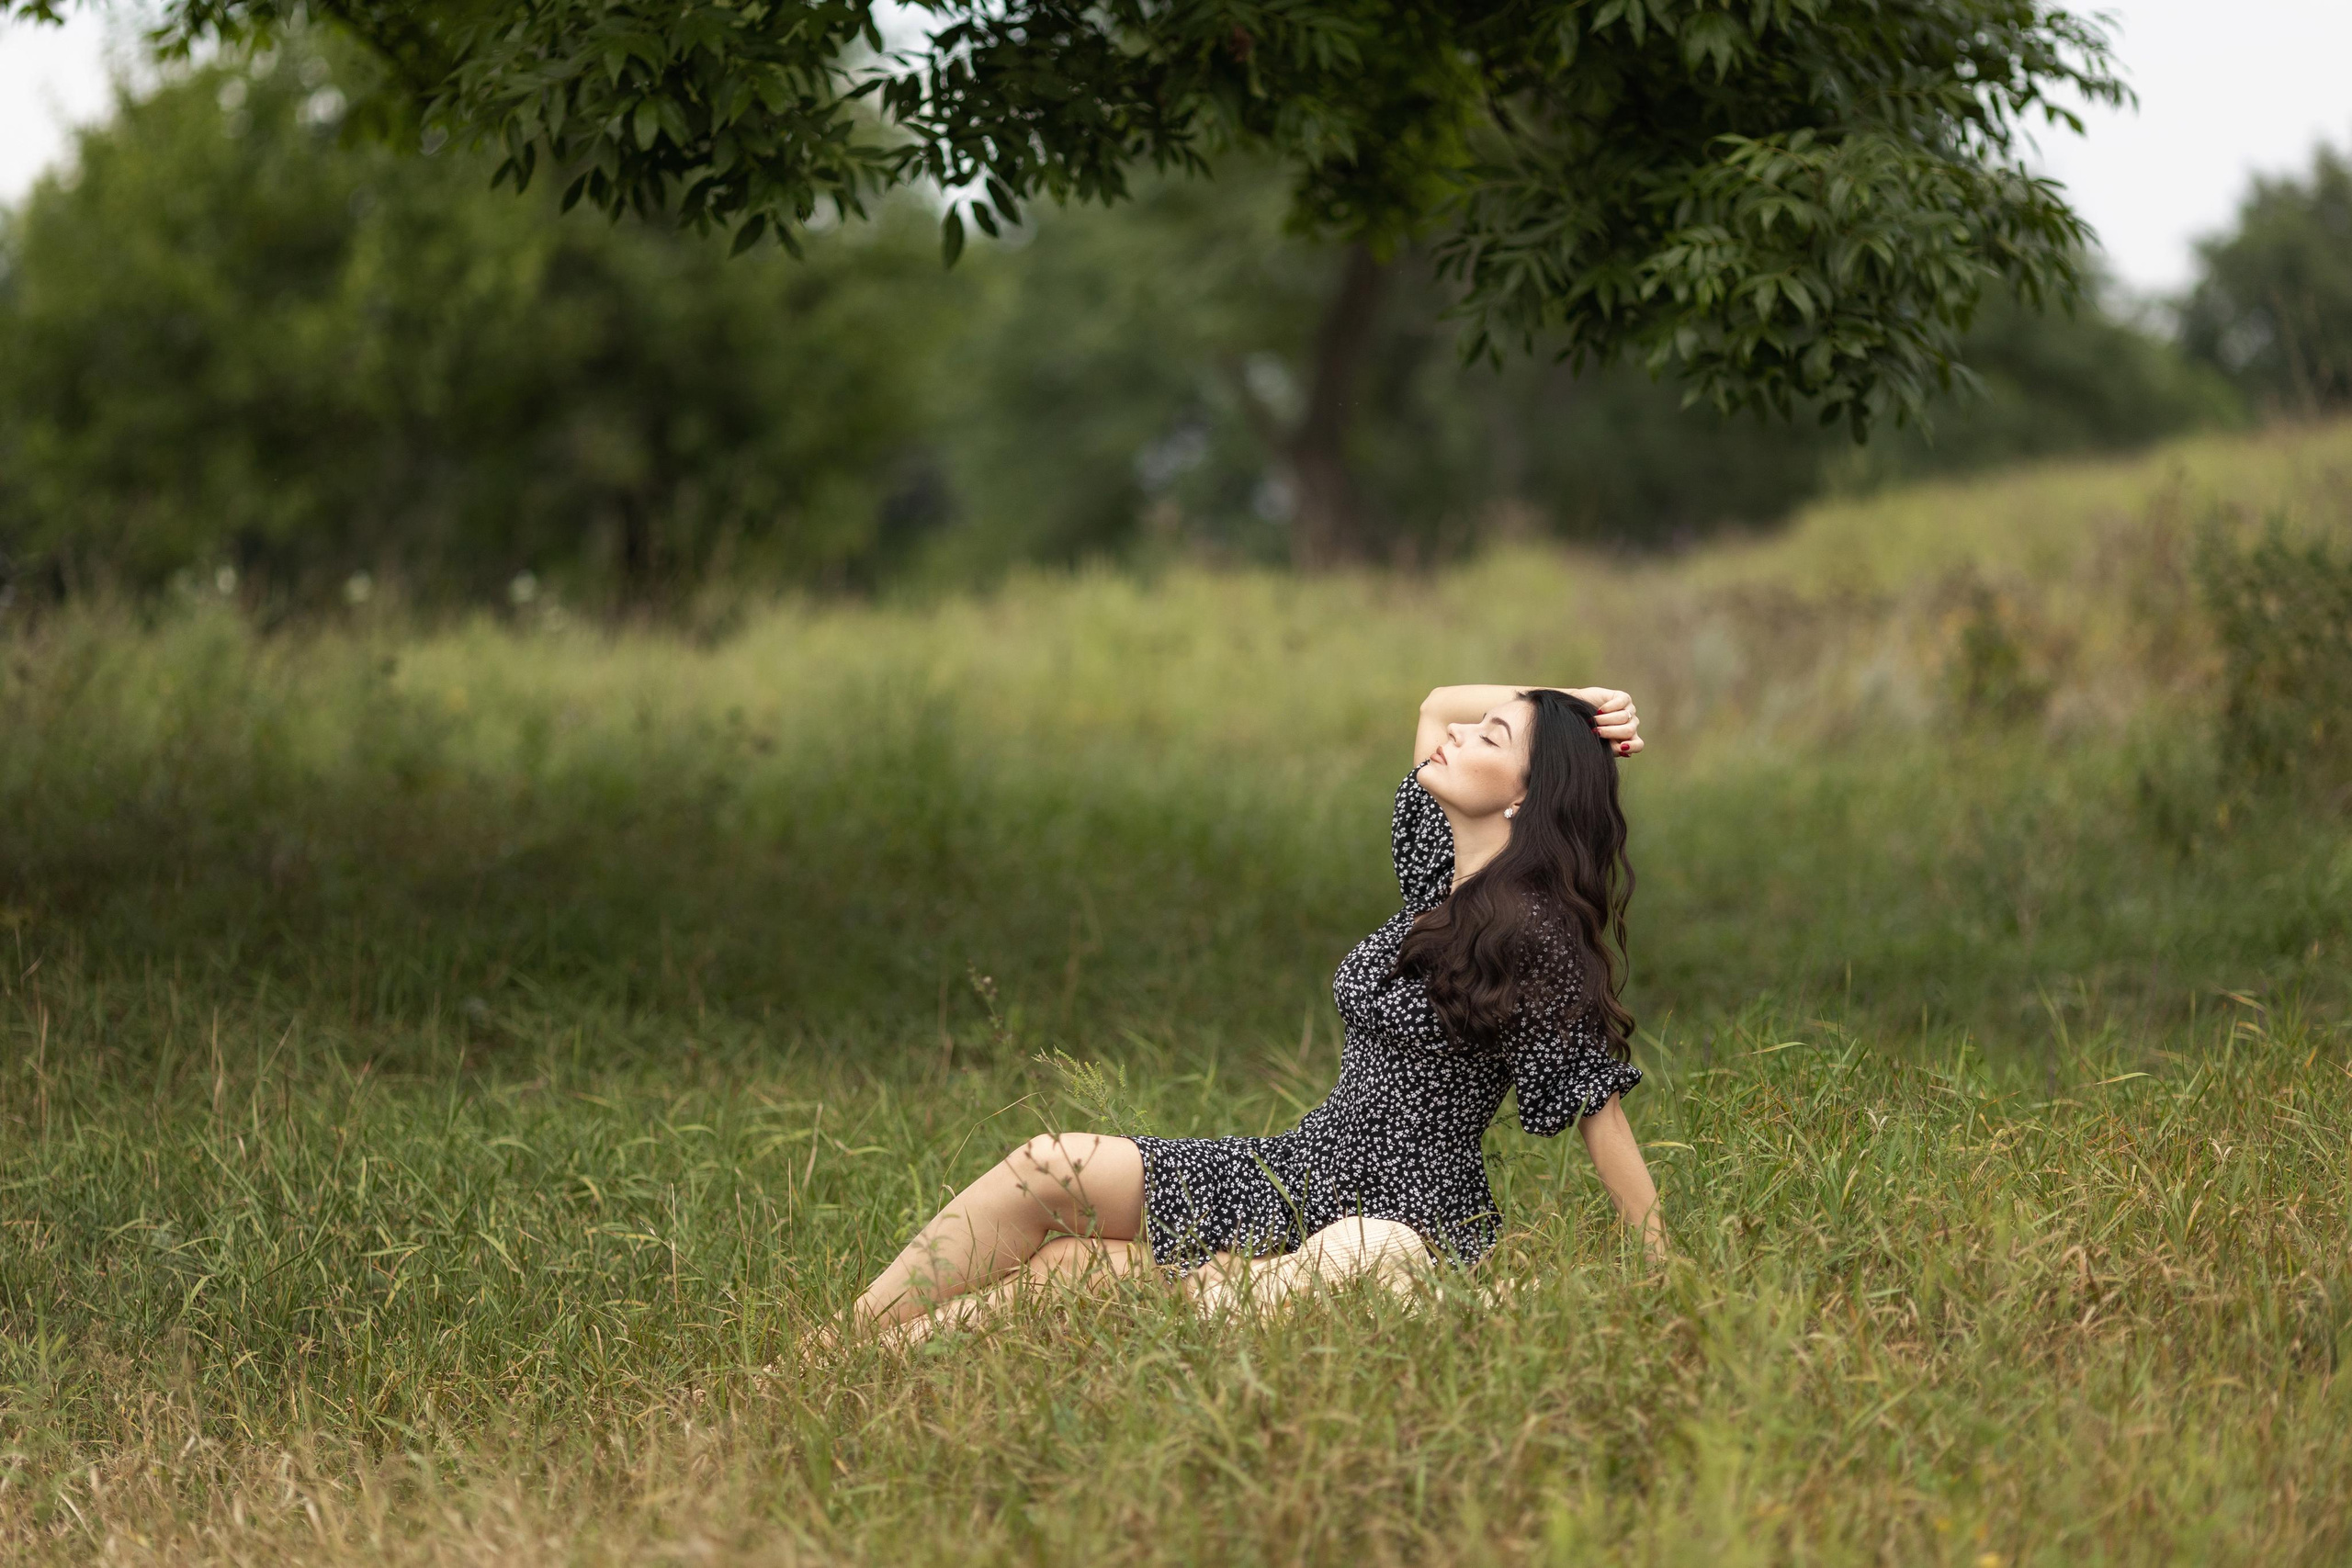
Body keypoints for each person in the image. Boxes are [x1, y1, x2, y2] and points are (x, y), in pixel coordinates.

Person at [840, 684, 1664, 1345]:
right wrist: (1572, 700)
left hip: (1401, 1208)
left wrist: (1661, 1269)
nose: (1458, 735)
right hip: (1310, 1163)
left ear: (1525, 796)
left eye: (1490, 739)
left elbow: (1599, 1105)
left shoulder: (1533, 933)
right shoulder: (1441, 875)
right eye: (1476, 728)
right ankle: (839, 1355)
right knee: (1052, 1205)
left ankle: (833, 1363)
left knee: (1062, 1230)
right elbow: (1436, 704)